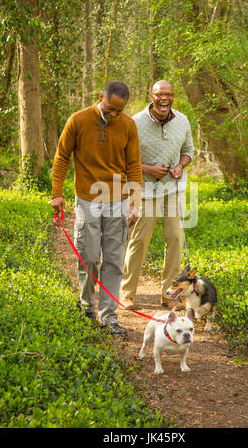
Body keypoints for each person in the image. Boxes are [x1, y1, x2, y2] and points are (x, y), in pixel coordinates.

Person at [51, 80, 142, 336]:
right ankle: (86, 307)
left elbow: (134, 165)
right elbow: (61, 157)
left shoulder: (128, 126)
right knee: (89, 256)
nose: (113, 114)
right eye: (110, 108)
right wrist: (57, 193)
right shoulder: (78, 120)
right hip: (88, 199)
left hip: (119, 199)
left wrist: (134, 203)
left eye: (119, 111)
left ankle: (108, 317)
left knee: (113, 260)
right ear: (101, 96)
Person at [120, 80, 194, 310]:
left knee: (175, 239)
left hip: (173, 189)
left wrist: (181, 166)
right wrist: (149, 169)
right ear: (151, 96)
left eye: (168, 94)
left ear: (173, 97)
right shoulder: (136, 122)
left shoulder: (182, 121)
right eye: (160, 94)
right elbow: (124, 158)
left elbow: (188, 151)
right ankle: (127, 292)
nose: (165, 98)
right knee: (140, 240)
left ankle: (168, 295)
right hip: (146, 190)